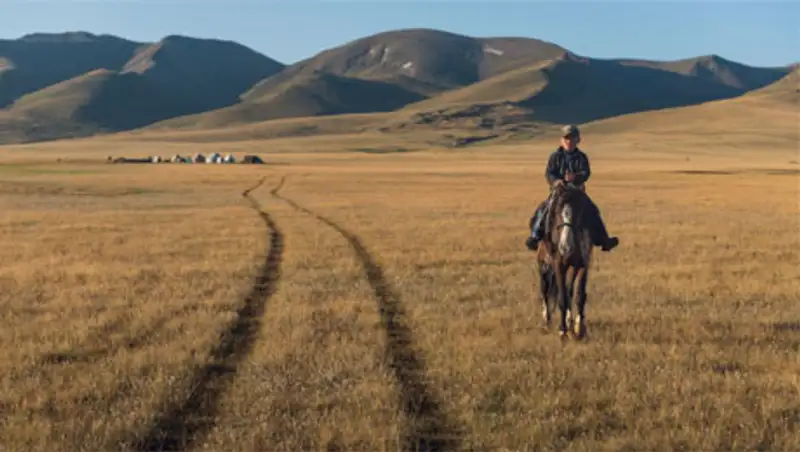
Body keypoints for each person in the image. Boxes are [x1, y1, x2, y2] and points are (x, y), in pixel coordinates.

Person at [525, 124, 620, 252]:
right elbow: (549, 173)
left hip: (577, 193)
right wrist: (556, 181)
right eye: (566, 138)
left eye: (572, 138)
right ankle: (535, 237)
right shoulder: (555, 157)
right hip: (559, 192)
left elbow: (586, 173)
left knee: (593, 210)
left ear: (578, 140)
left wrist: (575, 178)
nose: (569, 141)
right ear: (562, 140)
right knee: (543, 209)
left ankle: (603, 240)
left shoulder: (582, 157)